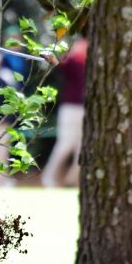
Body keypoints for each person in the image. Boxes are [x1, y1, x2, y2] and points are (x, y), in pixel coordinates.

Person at [40, 37, 88, 187]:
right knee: (65, 144)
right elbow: (61, 65)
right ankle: (49, 177)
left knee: (81, 146)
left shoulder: (89, 64)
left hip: (84, 108)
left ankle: (73, 179)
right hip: (71, 108)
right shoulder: (73, 61)